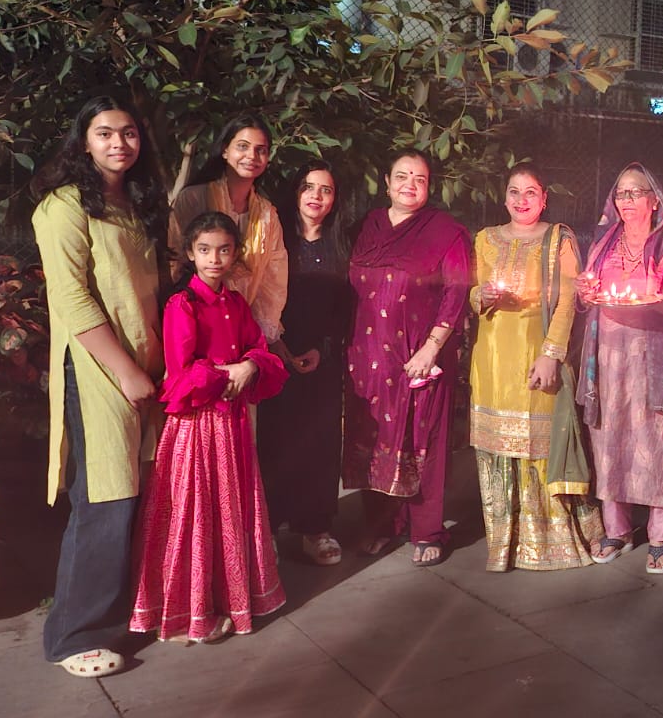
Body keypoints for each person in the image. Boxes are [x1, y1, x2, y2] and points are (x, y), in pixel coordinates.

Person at [31, 95, 167, 677]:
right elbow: (71, 297)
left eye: (128, 132)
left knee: (139, 491)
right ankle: (72, 635)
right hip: (96, 368)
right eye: (105, 132)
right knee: (105, 496)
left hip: (145, 365)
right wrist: (126, 371)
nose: (119, 143)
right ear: (83, 142)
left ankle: (126, 614)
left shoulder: (133, 203)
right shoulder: (63, 206)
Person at [131, 212, 287, 642]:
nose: (214, 259)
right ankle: (191, 613)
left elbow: (258, 347)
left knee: (228, 509)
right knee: (195, 511)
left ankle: (229, 601)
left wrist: (250, 365)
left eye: (223, 250)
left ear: (235, 253)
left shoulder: (235, 303)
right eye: (204, 250)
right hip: (197, 423)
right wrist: (226, 373)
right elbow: (181, 373)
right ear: (190, 253)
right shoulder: (182, 304)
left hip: (231, 422)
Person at [470, 162, 604, 571]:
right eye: (514, 191)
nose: (522, 200)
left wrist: (551, 353)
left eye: (531, 192)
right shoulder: (486, 239)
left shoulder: (557, 239)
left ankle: (550, 543)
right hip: (493, 357)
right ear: (504, 196)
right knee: (498, 447)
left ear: (544, 198)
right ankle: (504, 544)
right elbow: (474, 290)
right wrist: (481, 296)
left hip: (537, 351)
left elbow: (567, 300)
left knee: (539, 443)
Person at [342, 149, 470, 567]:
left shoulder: (445, 232)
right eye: (402, 176)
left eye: (420, 179)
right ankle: (382, 525)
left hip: (419, 355)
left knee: (422, 441)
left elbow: (456, 290)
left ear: (430, 186)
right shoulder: (367, 226)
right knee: (374, 438)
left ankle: (427, 531)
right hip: (367, 355)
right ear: (386, 181)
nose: (409, 185)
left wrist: (432, 346)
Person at [577, 163, 663, 573]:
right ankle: (617, 530)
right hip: (608, 359)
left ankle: (661, 535)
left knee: (657, 443)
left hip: (654, 360)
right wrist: (583, 293)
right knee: (608, 441)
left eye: (635, 192)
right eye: (620, 193)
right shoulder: (602, 244)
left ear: (654, 200)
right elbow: (588, 298)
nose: (626, 200)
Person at [258, 163, 353, 566]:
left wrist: (323, 349)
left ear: (335, 200)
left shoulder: (342, 244)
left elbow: (347, 307)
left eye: (325, 190)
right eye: (308, 187)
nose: (316, 196)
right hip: (275, 354)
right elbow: (260, 295)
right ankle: (268, 531)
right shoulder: (275, 239)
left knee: (320, 443)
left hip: (323, 360)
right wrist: (278, 346)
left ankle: (315, 529)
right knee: (275, 443)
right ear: (295, 193)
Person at [169, 113, 288, 343]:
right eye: (242, 146)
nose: (251, 156)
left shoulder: (267, 215)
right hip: (196, 323)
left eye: (261, 150)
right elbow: (175, 263)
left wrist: (261, 335)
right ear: (225, 150)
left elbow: (273, 280)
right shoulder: (193, 199)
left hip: (244, 328)